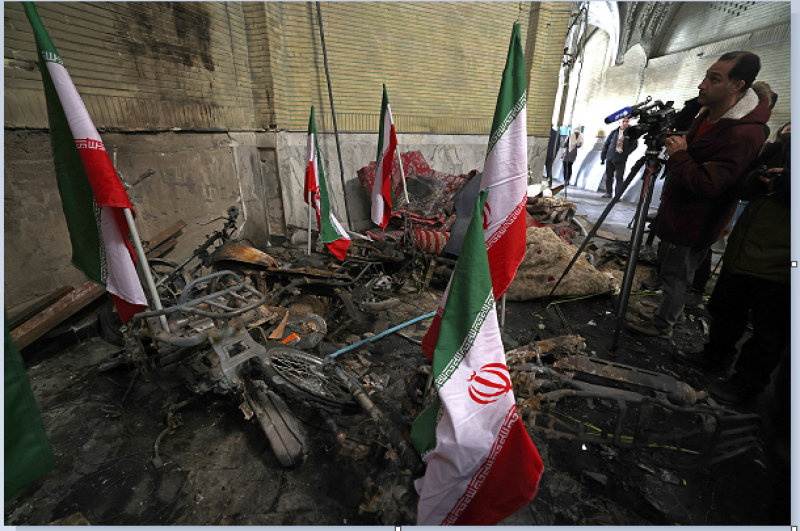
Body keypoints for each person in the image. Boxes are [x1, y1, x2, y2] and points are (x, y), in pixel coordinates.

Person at [626, 50, 771, 339]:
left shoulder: (744, 133)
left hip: (698, 220)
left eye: (713, 79)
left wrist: (679, 155)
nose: (702, 85)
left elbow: (710, 184)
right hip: (677, 210)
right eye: (705, 76)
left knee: (678, 276)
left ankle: (663, 325)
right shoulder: (708, 113)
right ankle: (663, 313)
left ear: (737, 86)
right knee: (668, 269)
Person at [675, 122, 790, 405]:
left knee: (768, 331)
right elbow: (741, 183)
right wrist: (757, 179)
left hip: (783, 261)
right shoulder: (780, 148)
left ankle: (746, 385)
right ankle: (715, 357)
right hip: (745, 249)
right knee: (725, 308)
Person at [599, 117, 638, 198]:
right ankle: (608, 193)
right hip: (610, 157)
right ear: (619, 122)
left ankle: (617, 196)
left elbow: (634, 145)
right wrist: (603, 156)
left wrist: (625, 153)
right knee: (609, 177)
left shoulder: (631, 133)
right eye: (623, 121)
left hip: (621, 159)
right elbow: (606, 144)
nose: (625, 123)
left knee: (619, 178)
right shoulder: (614, 132)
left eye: (627, 121)